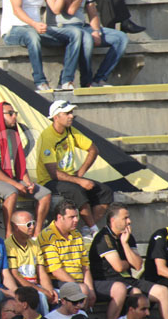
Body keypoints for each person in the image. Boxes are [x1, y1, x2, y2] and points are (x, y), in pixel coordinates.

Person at [1, 0, 85, 91]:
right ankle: (40, 81)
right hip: (14, 30)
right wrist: (34, 24)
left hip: (37, 28)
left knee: (76, 33)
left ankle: (66, 81)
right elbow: (17, 9)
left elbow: (56, 9)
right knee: (31, 34)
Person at [48, 0, 129, 87]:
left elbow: (92, 11)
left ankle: (100, 79)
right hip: (65, 27)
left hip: (83, 26)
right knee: (86, 38)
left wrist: (96, 31)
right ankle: (84, 82)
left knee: (120, 38)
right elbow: (70, 10)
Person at [90, 203, 168, 319]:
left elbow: (138, 265)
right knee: (137, 295)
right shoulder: (104, 238)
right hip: (109, 281)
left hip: (129, 281)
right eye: (125, 218)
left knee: (163, 291)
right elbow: (119, 267)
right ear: (113, 220)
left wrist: (125, 244)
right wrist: (128, 261)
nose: (129, 221)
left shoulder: (127, 236)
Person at [0, 101, 51, 236]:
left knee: (45, 194)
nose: (14, 117)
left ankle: (36, 234)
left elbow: (20, 166)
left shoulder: (12, 136)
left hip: (7, 178)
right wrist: (16, 184)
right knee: (12, 192)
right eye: (10, 114)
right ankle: (9, 233)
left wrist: (28, 183)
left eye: (14, 113)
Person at [36, 101, 112, 236]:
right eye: (67, 113)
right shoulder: (47, 137)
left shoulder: (70, 131)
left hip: (69, 178)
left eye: (71, 113)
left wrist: (81, 173)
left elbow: (93, 149)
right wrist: (79, 181)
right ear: (56, 117)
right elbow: (53, 173)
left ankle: (87, 229)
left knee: (105, 192)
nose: (71, 116)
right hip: (50, 181)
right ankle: (94, 230)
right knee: (77, 190)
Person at [38, 200, 96, 305]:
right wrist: (77, 286)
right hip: (58, 281)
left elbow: (85, 266)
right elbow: (56, 271)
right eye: (71, 217)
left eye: (77, 216)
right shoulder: (47, 236)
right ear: (60, 217)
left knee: (118, 288)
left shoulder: (77, 234)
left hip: (79, 281)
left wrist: (90, 288)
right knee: (82, 290)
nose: (76, 220)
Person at [6, 209, 56, 316]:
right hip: (22, 288)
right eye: (28, 224)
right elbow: (15, 276)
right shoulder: (8, 246)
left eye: (33, 223)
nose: (32, 227)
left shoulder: (34, 244)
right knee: (41, 296)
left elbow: (41, 272)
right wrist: (42, 291)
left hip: (36, 285)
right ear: (16, 226)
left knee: (60, 295)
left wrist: (50, 290)